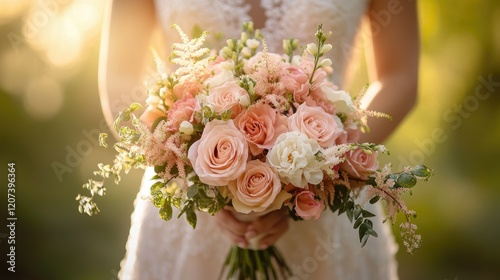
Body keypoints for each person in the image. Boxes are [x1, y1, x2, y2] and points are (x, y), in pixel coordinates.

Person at [98, 0, 419, 279]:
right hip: (186, 206)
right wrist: (189, 173)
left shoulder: (328, 173)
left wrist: (324, 169)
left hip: (328, 205)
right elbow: (120, 79)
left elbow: (399, 76)